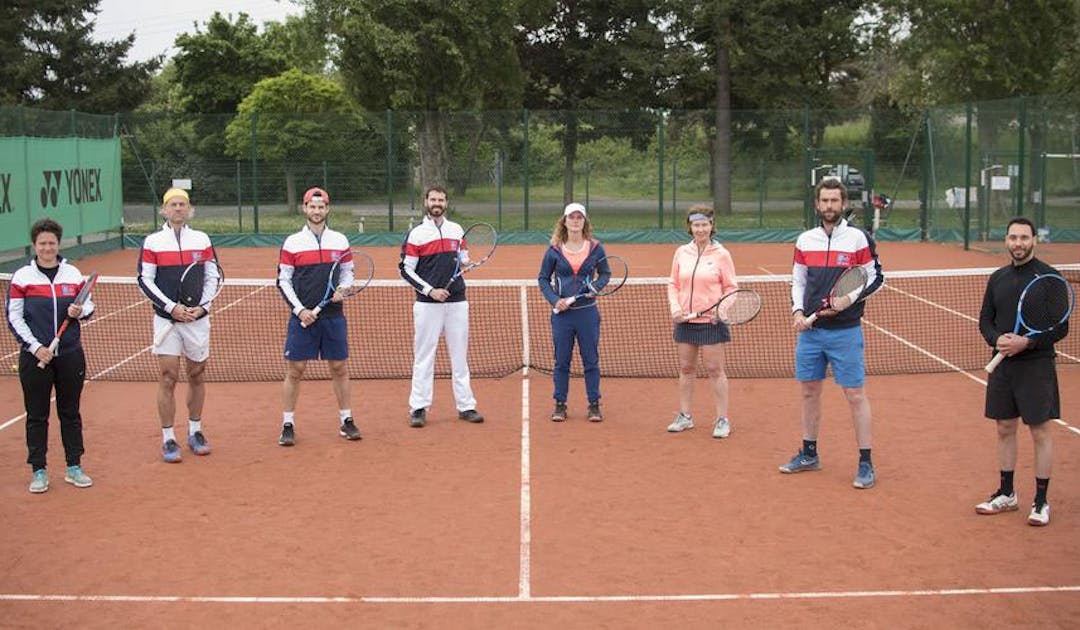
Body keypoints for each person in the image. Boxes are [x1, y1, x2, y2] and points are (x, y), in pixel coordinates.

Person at [780, 178, 883, 488]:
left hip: (845, 331)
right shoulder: (805, 240)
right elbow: (798, 280)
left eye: (834, 201)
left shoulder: (857, 239)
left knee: (854, 395)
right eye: (824, 201)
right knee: (809, 391)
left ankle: (866, 463)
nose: (829, 206)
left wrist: (846, 301)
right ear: (817, 204)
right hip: (810, 334)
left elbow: (875, 277)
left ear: (842, 204)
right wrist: (798, 311)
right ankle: (809, 453)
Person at [975, 217, 1068, 526]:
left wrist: (1027, 343)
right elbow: (986, 319)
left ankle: (1041, 501)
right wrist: (995, 339)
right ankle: (1006, 494)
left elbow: (1060, 326)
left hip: (1036, 365)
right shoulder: (998, 277)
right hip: (1003, 366)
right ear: (1006, 240)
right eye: (1013, 237)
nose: (1018, 243)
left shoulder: (1049, 278)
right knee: (1004, 428)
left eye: (1024, 238)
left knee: (1040, 431)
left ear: (1033, 240)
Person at [7, 218, 95, 493]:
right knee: (36, 415)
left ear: (58, 244)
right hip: (35, 359)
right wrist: (36, 348)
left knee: (70, 413)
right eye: (42, 243)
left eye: (52, 243)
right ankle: (39, 470)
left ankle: (73, 467)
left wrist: (81, 311)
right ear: (34, 245)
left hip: (69, 355)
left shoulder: (72, 273)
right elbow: (14, 317)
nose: (47, 248)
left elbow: (88, 304)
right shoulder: (22, 277)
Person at [137, 188, 220, 463]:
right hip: (166, 320)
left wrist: (203, 306)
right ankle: (168, 437)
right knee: (168, 376)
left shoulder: (202, 239)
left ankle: (195, 431)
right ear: (164, 210)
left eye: (182, 204)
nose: (178, 209)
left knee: (197, 373)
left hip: (197, 320)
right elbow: (145, 280)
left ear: (189, 209)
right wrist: (171, 307)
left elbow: (212, 276)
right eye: (173, 205)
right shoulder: (153, 242)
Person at [275, 187, 361, 446]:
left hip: (333, 316)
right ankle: (287, 423)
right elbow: (283, 280)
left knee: (339, 368)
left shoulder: (340, 240)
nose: (316, 211)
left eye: (321, 206)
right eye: (312, 207)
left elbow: (348, 273)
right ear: (305, 209)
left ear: (327, 209)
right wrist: (299, 309)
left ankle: (347, 420)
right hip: (302, 317)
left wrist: (344, 289)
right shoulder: (292, 243)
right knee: (295, 370)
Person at [399, 184, 483, 428]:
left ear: (446, 203)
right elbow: (405, 269)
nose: (437, 203)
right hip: (427, 304)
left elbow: (463, 259)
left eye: (441, 200)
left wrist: (466, 264)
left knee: (460, 356)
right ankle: (418, 408)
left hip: (457, 300)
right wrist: (430, 291)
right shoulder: (416, 234)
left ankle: (466, 406)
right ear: (426, 202)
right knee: (424, 356)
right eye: (433, 199)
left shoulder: (456, 230)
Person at [665, 206, 740, 438]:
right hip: (685, 320)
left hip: (711, 321)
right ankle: (685, 416)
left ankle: (722, 419)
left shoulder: (721, 254)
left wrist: (722, 309)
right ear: (690, 227)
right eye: (696, 225)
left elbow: (731, 287)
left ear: (711, 226)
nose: (700, 229)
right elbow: (673, 284)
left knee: (715, 370)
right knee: (686, 369)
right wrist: (676, 308)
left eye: (704, 225)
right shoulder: (681, 253)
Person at [538, 202, 609, 422]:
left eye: (579, 217)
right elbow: (543, 278)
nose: (576, 221)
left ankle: (594, 404)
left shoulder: (596, 248)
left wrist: (595, 288)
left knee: (590, 360)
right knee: (561, 361)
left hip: (587, 313)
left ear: (584, 221)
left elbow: (605, 274)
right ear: (565, 221)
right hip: (563, 317)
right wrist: (554, 300)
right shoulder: (554, 250)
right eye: (572, 217)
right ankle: (560, 404)